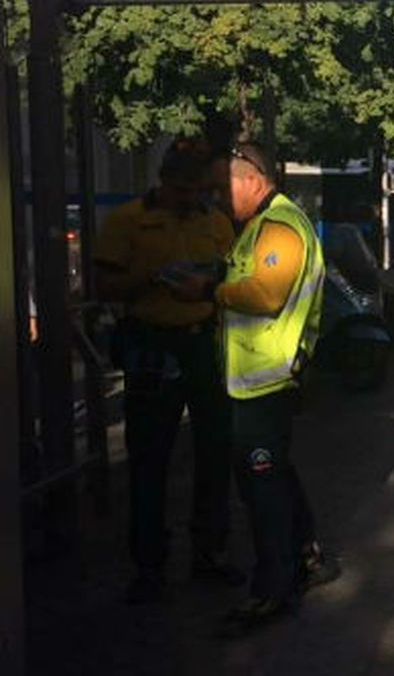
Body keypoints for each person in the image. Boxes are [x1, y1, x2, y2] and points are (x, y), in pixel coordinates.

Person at [171, 142, 339, 634]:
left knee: (261, 488)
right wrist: (211, 275)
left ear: (254, 180)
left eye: (224, 187)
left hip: (268, 382)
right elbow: (242, 276)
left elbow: (267, 294)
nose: (218, 198)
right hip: (252, 382)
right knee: (276, 476)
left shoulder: (281, 228)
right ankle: (307, 556)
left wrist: (206, 290)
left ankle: (273, 589)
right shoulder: (256, 229)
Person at [94, 137, 243, 603]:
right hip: (153, 347)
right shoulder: (128, 223)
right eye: (182, 190)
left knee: (214, 453)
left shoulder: (216, 223)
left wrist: (210, 283)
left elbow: (233, 274)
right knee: (149, 458)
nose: (190, 199)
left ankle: (209, 553)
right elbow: (104, 283)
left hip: (201, 344)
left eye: (197, 190)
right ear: (163, 182)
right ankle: (149, 565)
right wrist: (152, 278)